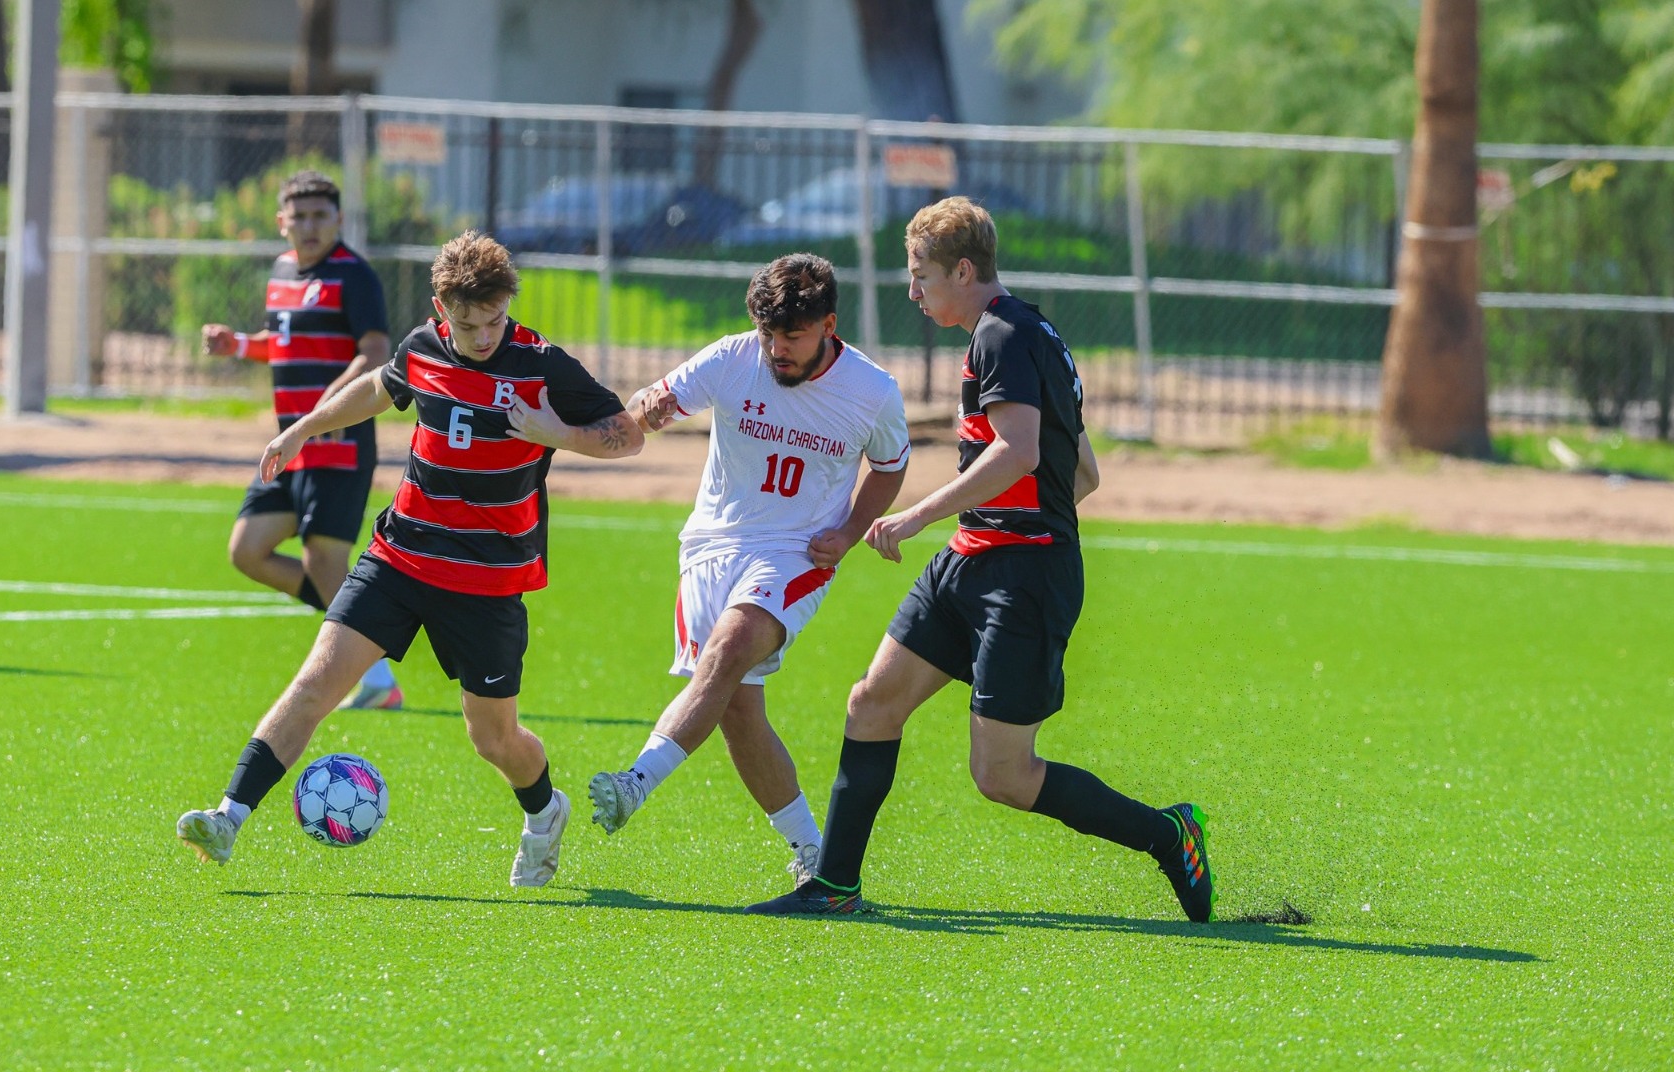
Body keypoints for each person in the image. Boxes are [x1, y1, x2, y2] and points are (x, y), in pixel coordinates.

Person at [746, 198, 1215, 921]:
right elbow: (1079, 469)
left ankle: (1168, 832)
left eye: (923, 276)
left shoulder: (1001, 335)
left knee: (1002, 774)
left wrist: (922, 514)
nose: (914, 292)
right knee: (872, 702)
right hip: (975, 560)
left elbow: (1022, 451)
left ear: (964, 270)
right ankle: (834, 885)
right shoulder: (1030, 332)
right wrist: (1012, 518)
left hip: (1020, 576)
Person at [177, 231, 644, 885]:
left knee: (494, 739)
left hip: (486, 580)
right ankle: (227, 817)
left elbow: (627, 434)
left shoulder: (542, 364)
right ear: (440, 308)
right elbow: (378, 384)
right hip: (399, 557)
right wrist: (304, 426)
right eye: (467, 323)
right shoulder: (422, 346)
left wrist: (557, 433)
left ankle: (544, 812)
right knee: (314, 684)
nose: (483, 336)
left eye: (494, 321)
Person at [588, 254, 910, 886]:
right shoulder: (733, 356)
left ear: (829, 325)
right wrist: (648, 404)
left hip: (796, 551)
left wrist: (848, 531)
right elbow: (651, 403)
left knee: (731, 647)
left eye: (791, 335)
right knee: (737, 709)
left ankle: (636, 780)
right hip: (710, 546)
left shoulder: (872, 391)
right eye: (768, 332)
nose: (775, 348)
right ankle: (814, 854)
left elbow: (891, 464)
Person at [200, 169, 401, 709]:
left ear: (338, 219)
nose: (310, 226)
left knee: (326, 568)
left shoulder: (353, 276)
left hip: (336, 449)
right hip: (287, 450)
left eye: (321, 215)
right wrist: (239, 344)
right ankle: (372, 638)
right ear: (281, 222)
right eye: (300, 216)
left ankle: (376, 679)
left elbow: (376, 352)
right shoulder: (282, 272)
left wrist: (321, 409)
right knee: (247, 550)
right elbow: (285, 343)